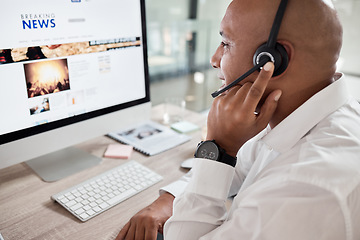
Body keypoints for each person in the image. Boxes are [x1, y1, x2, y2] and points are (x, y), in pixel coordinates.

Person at [116, 0, 360, 239]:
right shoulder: (302, 114)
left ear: (272, 60)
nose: (214, 59)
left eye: (225, 43)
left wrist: (218, 147)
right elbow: (241, 166)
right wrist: (168, 199)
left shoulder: (305, 190)